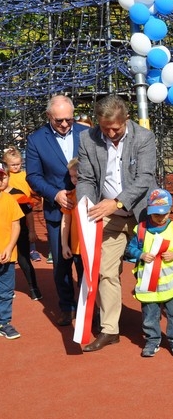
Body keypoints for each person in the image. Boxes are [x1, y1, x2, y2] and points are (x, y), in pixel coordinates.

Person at [76, 95, 157, 352]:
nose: (111, 133)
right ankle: (110, 329)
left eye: (116, 128)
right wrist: (86, 207)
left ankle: (157, 329)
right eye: (105, 128)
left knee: (152, 269)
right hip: (107, 214)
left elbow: (145, 178)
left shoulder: (143, 137)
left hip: (142, 211)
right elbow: (86, 178)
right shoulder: (87, 138)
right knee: (104, 271)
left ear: (126, 120)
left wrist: (118, 202)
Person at [26, 95, 89, 325]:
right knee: (62, 265)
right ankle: (67, 307)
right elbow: (33, 176)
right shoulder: (35, 140)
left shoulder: (86, 133)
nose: (64, 125)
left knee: (86, 263)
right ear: (48, 117)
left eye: (69, 120)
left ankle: (87, 306)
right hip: (56, 213)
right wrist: (55, 194)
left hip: (86, 211)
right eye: (59, 120)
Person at [126, 189, 173, 358]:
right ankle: (152, 340)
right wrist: (141, 255)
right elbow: (130, 248)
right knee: (150, 316)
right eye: (156, 215)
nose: (160, 218)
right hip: (148, 284)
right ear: (149, 211)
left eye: (164, 214)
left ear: (170, 211)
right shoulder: (141, 229)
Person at [3, 146, 42, 300]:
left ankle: (34, 288)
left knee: (23, 259)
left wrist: (32, 230)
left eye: (18, 164)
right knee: (5, 262)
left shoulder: (18, 194)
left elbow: (29, 212)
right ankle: (6, 290)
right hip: (4, 233)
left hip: (21, 229)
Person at [0, 161, 24, 339]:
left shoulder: (9, 200)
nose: (0, 181)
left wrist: (9, 247)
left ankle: (4, 322)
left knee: (6, 292)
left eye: (2, 177)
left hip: (7, 255)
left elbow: (16, 225)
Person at [60, 158, 84, 288]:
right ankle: (85, 308)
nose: (74, 179)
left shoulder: (98, 195)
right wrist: (65, 245)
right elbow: (66, 221)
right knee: (82, 279)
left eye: (77, 176)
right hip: (77, 248)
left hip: (95, 248)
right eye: (71, 176)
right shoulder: (71, 196)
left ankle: (100, 308)